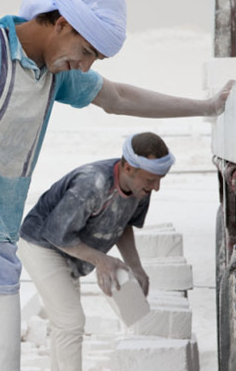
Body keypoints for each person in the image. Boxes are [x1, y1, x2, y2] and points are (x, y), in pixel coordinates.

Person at [0, 0, 232, 371]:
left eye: (94, 59)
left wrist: (208, 106)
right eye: (85, 51)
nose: (84, 66)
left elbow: (118, 98)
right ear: (62, 23)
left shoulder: (56, 73)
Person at [18, 132, 173, 371]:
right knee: (71, 321)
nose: (157, 187)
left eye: (160, 179)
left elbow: (124, 223)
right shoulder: (93, 184)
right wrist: (102, 260)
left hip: (73, 248)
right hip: (42, 244)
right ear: (128, 167)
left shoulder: (141, 190)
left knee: (64, 324)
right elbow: (57, 233)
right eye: (151, 180)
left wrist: (135, 266)